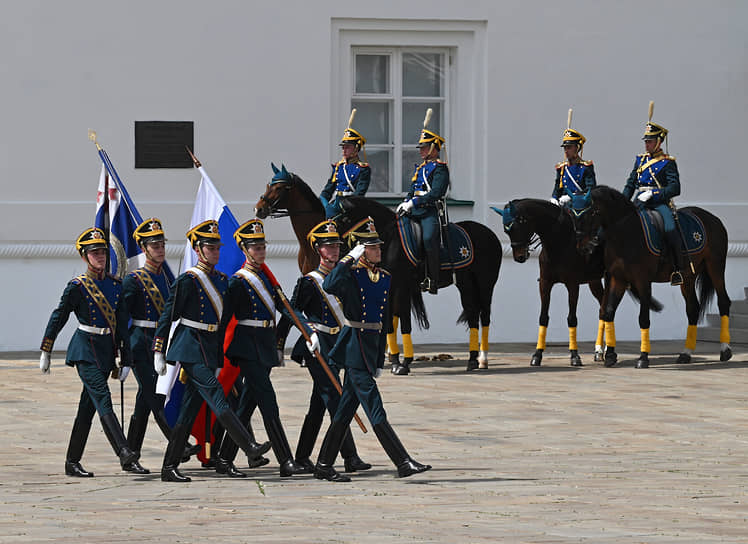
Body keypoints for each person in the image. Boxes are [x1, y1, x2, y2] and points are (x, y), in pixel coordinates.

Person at [314, 217, 432, 482]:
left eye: (378, 246)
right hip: (354, 348)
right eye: (373, 247)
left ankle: (323, 464)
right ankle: (403, 461)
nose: (379, 250)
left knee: (344, 413)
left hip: (369, 348)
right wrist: (347, 259)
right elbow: (328, 285)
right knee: (375, 407)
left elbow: (382, 319)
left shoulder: (385, 278)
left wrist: (380, 357)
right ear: (361, 250)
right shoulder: (350, 275)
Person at [152, 220, 271, 483]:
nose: (215, 253)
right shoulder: (188, 280)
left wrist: (219, 356)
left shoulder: (221, 280)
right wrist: (158, 350)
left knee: (188, 411)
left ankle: (168, 467)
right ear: (197, 249)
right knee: (218, 396)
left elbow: (222, 320)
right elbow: (167, 316)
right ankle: (248, 444)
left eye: (217, 248)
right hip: (189, 346)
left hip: (208, 347)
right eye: (210, 248)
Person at [216, 218, 317, 477]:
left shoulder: (266, 277)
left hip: (265, 345)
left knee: (247, 404)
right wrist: (214, 350)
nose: (261, 251)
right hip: (247, 347)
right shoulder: (239, 281)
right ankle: (286, 460)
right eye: (255, 248)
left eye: (262, 247)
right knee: (269, 402)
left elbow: (286, 306)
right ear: (245, 250)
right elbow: (225, 318)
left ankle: (225, 459)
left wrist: (307, 328)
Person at [39, 227, 137, 477]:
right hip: (84, 350)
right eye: (94, 253)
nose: (100, 256)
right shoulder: (78, 287)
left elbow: (122, 322)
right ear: (84, 256)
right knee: (103, 398)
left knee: (87, 408)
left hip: (105, 351)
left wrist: (126, 357)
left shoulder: (115, 285)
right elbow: (59, 316)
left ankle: (72, 461)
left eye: (102, 251)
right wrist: (47, 348)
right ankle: (124, 452)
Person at [276, 219, 371, 473]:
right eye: (328, 246)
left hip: (340, 343)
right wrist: (304, 332)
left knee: (318, 404)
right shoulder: (309, 281)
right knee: (335, 399)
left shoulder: (344, 277)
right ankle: (350, 457)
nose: (335, 250)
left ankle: (302, 456)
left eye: (337, 245)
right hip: (318, 346)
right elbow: (291, 310)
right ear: (318, 250)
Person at [121, 218, 200, 474]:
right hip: (140, 344)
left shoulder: (167, 280)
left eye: (161, 244)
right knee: (155, 398)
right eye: (154, 245)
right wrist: (122, 353)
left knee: (144, 402)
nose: (160, 249)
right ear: (144, 248)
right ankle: (179, 445)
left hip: (160, 342)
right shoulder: (134, 280)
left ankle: (130, 455)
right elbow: (122, 319)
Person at [622, 104, 682, 285]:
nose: (647, 144)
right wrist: (623, 202)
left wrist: (654, 194)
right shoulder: (640, 160)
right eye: (646, 141)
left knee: (670, 228)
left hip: (658, 203)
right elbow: (631, 183)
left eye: (650, 141)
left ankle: (677, 268)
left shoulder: (668, 162)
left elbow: (675, 188)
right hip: (638, 202)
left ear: (659, 142)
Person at [396, 123, 450, 294]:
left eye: (424, 147)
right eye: (421, 147)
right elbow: (413, 190)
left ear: (434, 148)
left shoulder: (440, 168)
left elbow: (435, 193)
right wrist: (405, 201)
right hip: (414, 210)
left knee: (428, 238)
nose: (421, 151)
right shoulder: (420, 168)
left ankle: (433, 279)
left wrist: (414, 203)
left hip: (429, 211)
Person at [319, 116, 371, 219]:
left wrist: (343, 205)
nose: (344, 150)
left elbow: (359, 194)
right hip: (335, 204)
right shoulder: (339, 167)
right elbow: (328, 190)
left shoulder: (363, 169)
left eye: (347, 147)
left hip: (350, 208)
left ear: (356, 149)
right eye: (343, 147)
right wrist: (323, 201)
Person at [551, 122, 596, 206]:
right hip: (563, 206)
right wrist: (554, 198)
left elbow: (590, 190)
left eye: (569, 147)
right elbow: (557, 188)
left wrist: (572, 197)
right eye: (565, 148)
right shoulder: (562, 168)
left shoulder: (585, 167)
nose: (566, 151)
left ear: (577, 148)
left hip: (579, 206)